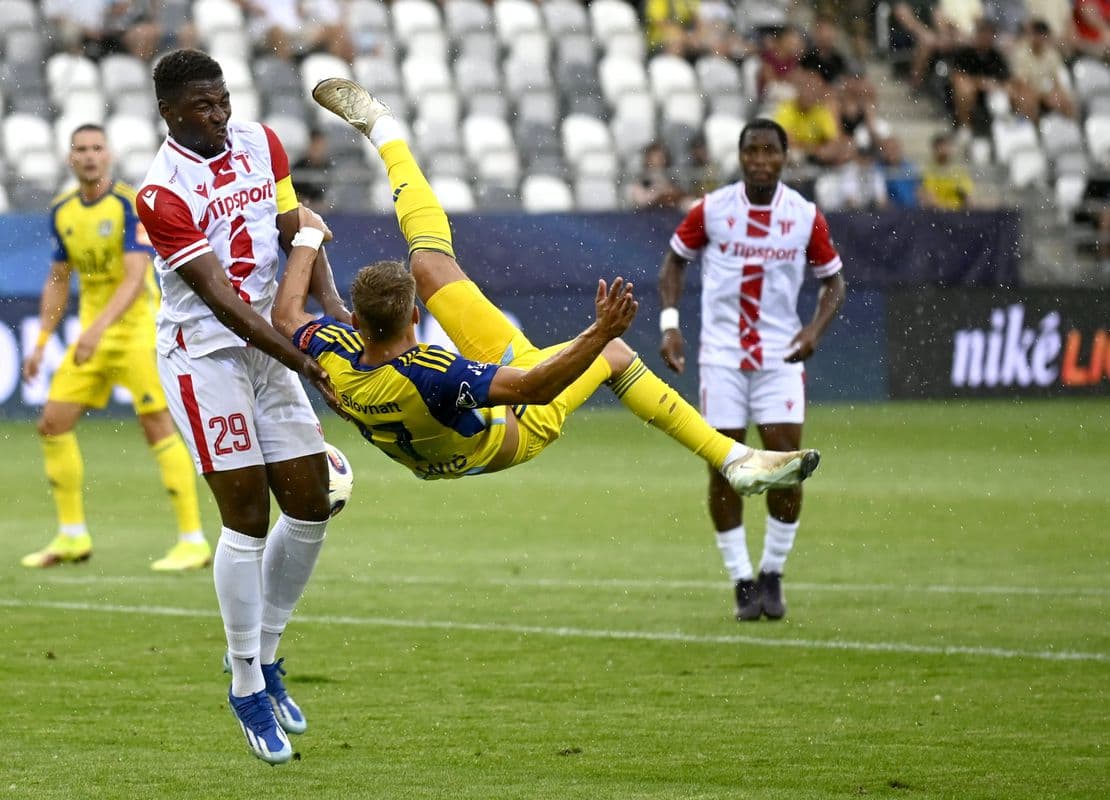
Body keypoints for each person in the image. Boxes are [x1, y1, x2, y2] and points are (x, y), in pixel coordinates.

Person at [270, 78, 819, 516]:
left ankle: (381, 127)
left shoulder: (334, 355)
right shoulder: (431, 371)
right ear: (414, 315)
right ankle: (734, 460)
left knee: (430, 266)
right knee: (614, 356)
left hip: (437, 442)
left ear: (356, 322)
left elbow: (285, 312)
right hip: (515, 429)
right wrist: (600, 333)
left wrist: (301, 224)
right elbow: (534, 388)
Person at [133, 49, 349, 766]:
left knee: (312, 502)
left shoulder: (263, 142)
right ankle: (246, 682)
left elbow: (297, 234)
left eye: (223, 100)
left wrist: (334, 317)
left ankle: (269, 652)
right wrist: (307, 362)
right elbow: (222, 303)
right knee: (248, 515)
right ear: (169, 112)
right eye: (203, 106)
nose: (220, 115)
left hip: (273, 345)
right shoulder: (161, 194)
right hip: (207, 356)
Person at [657, 118, 847, 622]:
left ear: (786, 158)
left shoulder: (804, 217)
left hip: (779, 358)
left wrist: (814, 331)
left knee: (786, 465)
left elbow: (835, 284)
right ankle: (742, 579)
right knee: (726, 468)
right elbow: (673, 263)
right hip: (720, 358)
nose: (760, 160)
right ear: (739, 157)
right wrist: (671, 325)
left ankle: (773, 573)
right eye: (752, 151)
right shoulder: (713, 209)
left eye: (770, 152)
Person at [20, 123, 209, 573]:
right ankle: (71, 535)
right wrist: (43, 341)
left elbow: (132, 277)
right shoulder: (63, 210)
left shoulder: (128, 203)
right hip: (94, 336)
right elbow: (58, 279)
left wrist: (95, 329)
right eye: (81, 149)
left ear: (109, 156)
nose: (89, 156)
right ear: (70, 158)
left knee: (157, 426)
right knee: (52, 423)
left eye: (96, 149)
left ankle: (193, 540)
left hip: (137, 331)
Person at [920, 131, 975, 209]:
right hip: (938, 214)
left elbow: (967, 195)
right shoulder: (928, 171)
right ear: (935, 149)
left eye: (947, 146)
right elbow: (930, 197)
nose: (945, 150)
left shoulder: (959, 171)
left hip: (958, 213)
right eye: (941, 147)